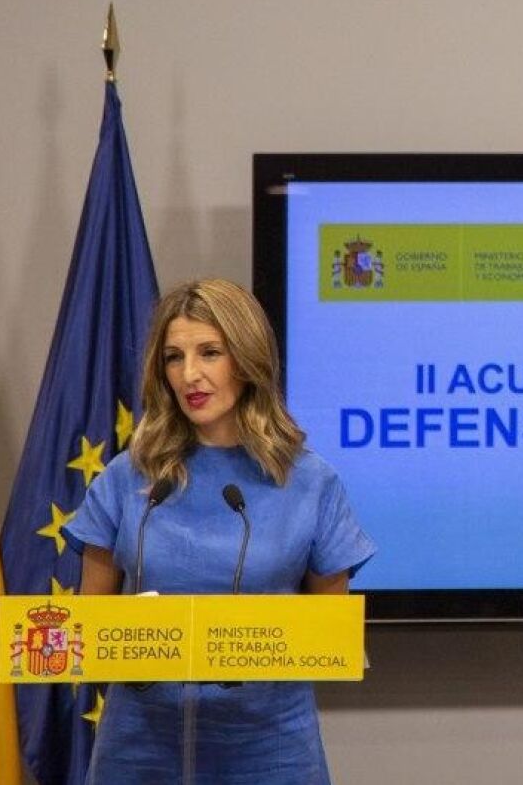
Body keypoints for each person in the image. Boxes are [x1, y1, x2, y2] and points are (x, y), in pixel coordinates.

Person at [67, 278, 375, 785]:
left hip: (270, 750)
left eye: (210, 353)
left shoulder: (309, 483)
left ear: (247, 360)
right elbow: (88, 627)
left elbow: (328, 632)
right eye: (174, 357)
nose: (190, 374)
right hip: (139, 747)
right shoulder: (129, 478)